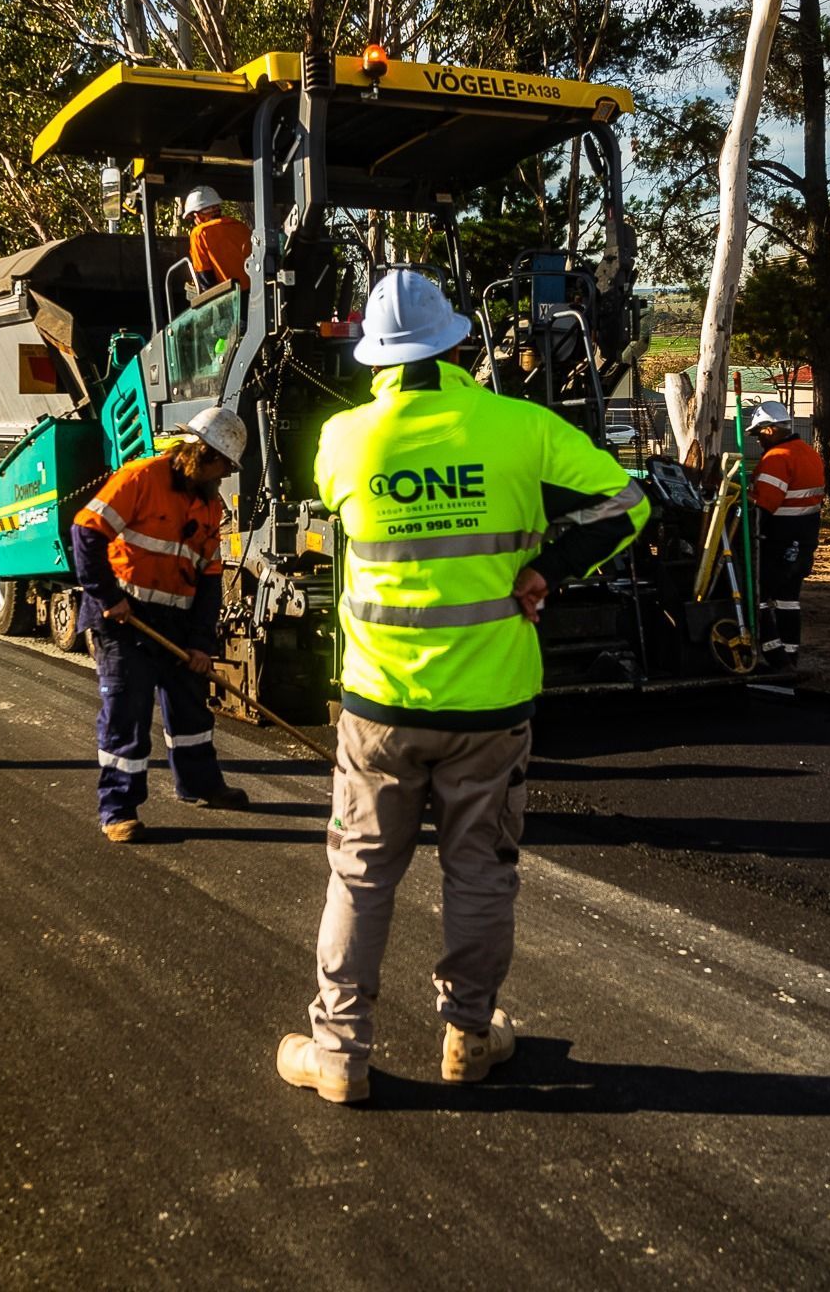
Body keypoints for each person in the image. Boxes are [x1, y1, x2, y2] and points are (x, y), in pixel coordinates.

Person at [276, 269, 650, 1103]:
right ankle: (469, 1038)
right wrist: (547, 567)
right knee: (480, 871)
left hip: (380, 703)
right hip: (493, 703)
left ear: (375, 358)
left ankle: (339, 1052)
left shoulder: (343, 440)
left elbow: (343, 514)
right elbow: (629, 503)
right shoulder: (522, 427)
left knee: (362, 872)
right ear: (454, 345)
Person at [71, 407, 251, 842]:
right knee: (126, 716)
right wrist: (109, 598)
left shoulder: (210, 505)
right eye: (223, 464)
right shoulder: (141, 479)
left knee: (190, 710)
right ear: (201, 454)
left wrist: (201, 644)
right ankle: (118, 810)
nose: (226, 474)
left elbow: (209, 580)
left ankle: (200, 784)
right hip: (124, 620)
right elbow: (86, 532)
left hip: (176, 622)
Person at [748, 399, 825, 669]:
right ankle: (791, 656)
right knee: (788, 601)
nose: (758, 441)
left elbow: (763, 507)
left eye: (758, 434)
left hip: (779, 542)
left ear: (769, 430)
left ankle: (775, 656)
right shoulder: (809, 453)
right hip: (804, 540)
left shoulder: (777, 459)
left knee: (756, 596)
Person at [182, 186, 252, 292]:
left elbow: (205, 278)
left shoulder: (199, 234)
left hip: (230, 299)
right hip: (255, 294)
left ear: (197, 214)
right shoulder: (241, 227)